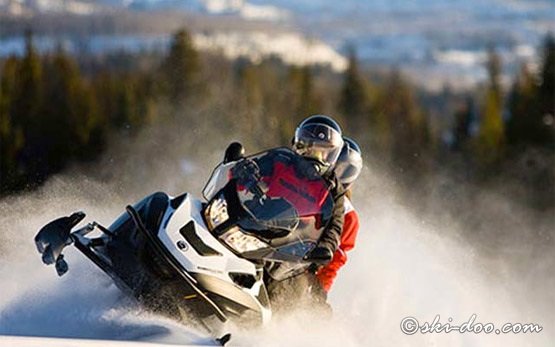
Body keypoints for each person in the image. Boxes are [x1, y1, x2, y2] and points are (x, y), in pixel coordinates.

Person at [316, 137, 363, 292]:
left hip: (303, 265)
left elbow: (335, 258)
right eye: (326, 156)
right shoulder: (300, 183)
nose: (332, 168)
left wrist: (320, 290)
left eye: (340, 167)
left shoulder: (348, 215)